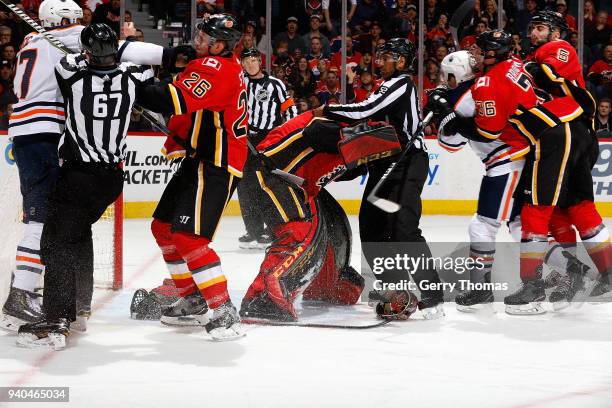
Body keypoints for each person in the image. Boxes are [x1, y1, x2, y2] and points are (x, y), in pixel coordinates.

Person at [16, 23, 153, 350]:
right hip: (111, 178)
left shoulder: (71, 74)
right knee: (78, 234)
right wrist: (130, 39)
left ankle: (56, 319)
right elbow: (141, 66)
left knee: (55, 241)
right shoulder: (133, 75)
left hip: (78, 175)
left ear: (89, 52)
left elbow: (68, 61)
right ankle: (80, 307)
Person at [314, 38, 445, 320]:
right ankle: (395, 289)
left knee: (403, 228)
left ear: (400, 61)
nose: (379, 61)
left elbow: (365, 111)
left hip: (408, 160)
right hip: (386, 159)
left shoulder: (401, 83)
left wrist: (327, 110)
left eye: (386, 56)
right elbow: (370, 124)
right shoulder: (387, 85)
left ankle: (433, 295)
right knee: (372, 226)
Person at [135, 14, 247, 341]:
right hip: (198, 159)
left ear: (220, 45)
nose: (197, 41)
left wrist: (127, 79)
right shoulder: (218, 64)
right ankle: (193, 297)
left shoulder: (215, 68)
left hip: (216, 164)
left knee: (189, 238)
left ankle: (223, 307)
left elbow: (171, 100)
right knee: (163, 228)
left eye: (204, 37)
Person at [239, 112, 402, 321]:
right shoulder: (330, 127)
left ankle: (327, 287)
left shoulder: (348, 152)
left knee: (328, 226)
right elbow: (317, 131)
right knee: (297, 232)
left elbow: (341, 167)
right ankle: (262, 300)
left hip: (291, 183)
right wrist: (363, 138)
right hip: (268, 173)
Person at [1, 0, 84, 332]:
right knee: (41, 218)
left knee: (40, 215)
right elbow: (117, 47)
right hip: (43, 131)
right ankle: (20, 295)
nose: (79, 23)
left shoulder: (32, 41)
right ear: (63, 20)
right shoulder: (68, 35)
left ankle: (22, 287)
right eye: (75, 18)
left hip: (26, 132)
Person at [237, 47, 297, 250]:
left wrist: (288, 136)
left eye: (253, 60)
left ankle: (272, 229)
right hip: (245, 138)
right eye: (246, 61)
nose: (250, 64)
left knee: (266, 184)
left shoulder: (275, 84)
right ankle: (253, 230)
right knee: (244, 186)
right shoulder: (240, 83)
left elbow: (289, 108)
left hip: (268, 138)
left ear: (260, 62)